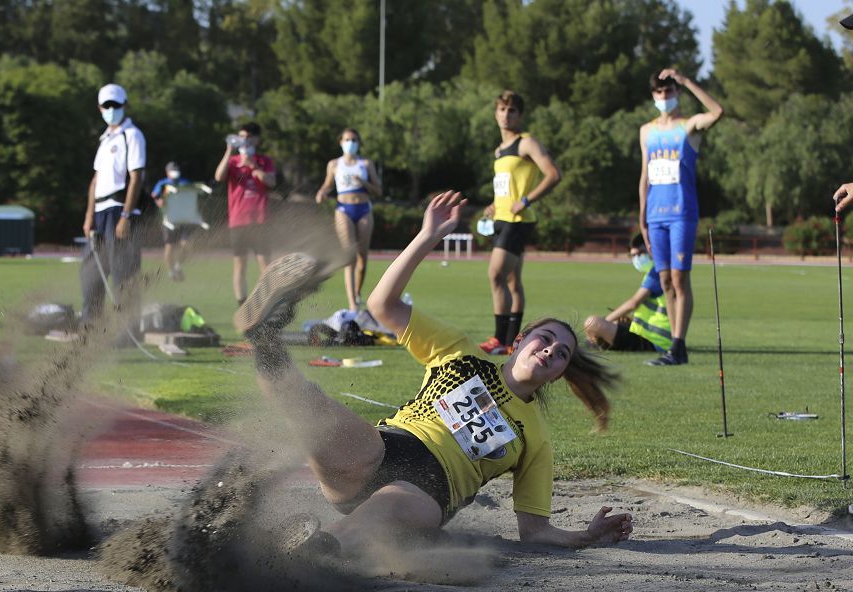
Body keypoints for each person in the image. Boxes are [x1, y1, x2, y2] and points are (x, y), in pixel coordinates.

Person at [232, 191, 632, 557]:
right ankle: (265, 337)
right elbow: (382, 303)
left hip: (430, 489)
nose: (549, 350)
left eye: (561, 354)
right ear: (519, 341)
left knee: (389, 506)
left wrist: (586, 536)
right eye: (544, 339)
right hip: (385, 447)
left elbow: (535, 531)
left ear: (559, 374)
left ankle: (308, 555)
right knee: (312, 410)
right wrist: (427, 236)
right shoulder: (459, 352)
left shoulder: (535, 438)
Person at [639, 69, 724, 366]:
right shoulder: (647, 131)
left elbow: (717, 111)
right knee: (663, 280)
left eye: (669, 92)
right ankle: (672, 347)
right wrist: (642, 219)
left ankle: (679, 345)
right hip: (655, 214)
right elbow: (645, 176)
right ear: (653, 95)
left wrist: (687, 81)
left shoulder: (689, 127)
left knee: (679, 278)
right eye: (659, 92)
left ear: (676, 94)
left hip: (681, 213)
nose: (664, 97)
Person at [479, 90, 562, 356]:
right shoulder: (499, 151)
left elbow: (553, 174)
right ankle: (513, 341)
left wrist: (526, 200)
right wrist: (494, 204)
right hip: (501, 219)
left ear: (520, 115)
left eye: (512, 110)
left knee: (495, 274)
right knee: (513, 282)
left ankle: (500, 339)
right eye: (502, 109)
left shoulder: (526, 143)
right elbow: (505, 187)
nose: (506, 114)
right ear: (495, 113)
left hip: (518, 220)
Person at [80, 83, 146, 331]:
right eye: (106, 105)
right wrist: (89, 217)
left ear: (124, 105)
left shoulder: (132, 135)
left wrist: (126, 216)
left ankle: (127, 333)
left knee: (124, 275)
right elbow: (95, 180)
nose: (111, 109)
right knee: (91, 273)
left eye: (115, 105)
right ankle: (90, 328)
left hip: (120, 209)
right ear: (99, 108)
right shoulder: (104, 140)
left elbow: (136, 177)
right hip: (99, 212)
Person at [315, 128, 383, 310]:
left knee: (362, 259)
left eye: (354, 140)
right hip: (344, 209)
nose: (350, 143)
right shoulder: (334, 164)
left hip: (364, 209)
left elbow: (378, 190)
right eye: (347, 140)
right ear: (341, 142)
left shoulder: (366, 163)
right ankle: (352, 304)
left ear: (359, 143)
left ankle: (358, 293)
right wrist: (321, 193)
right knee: (349, 256)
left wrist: (364, 183)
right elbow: (327, 186)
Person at [214, 122, 277, 306]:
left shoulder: (265, 161)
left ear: (257, 139)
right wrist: (228, 151)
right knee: (239, 267)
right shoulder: (233, 162)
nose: (244, 140)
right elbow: (219, 177)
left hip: (260, 220)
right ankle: (243, 307)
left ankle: (266, 306)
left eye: (248, 137)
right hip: (238, 221)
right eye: (241, 136)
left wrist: (253, 166)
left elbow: (271, 182)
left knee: (265, 267)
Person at [584, 233, 671, 354]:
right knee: (607, 324)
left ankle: (597, 342)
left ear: (651, 248)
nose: (637, 259)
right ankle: (599, 342)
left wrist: (606, 321)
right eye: (633, 256)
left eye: (640, 253)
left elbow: (633, 304)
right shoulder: (657, 271)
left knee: (593, 322)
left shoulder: (656, 272)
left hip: (653, 341)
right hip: (648, 336)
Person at [151, 162, 211, 281]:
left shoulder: (185, 182)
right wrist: (159, 202)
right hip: (169, 220)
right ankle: (171, 271)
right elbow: (154, 195)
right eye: (172, 170)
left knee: (187, 245)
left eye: (176, 169)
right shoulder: (162, 183)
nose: (175, 172)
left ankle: (178, 265)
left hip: (185, 219)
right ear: (167, 172)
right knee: (169, 247)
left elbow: (193, 195)